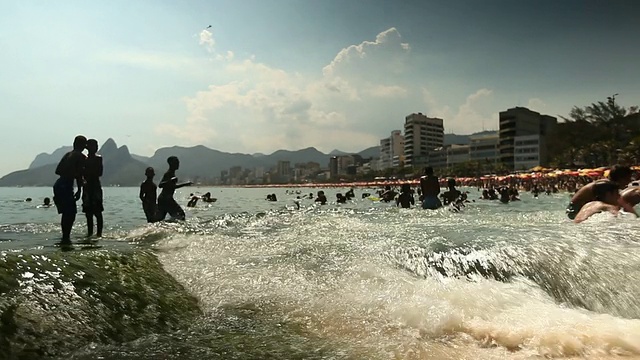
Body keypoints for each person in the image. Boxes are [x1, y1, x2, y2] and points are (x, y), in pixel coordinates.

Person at [566, 165, 637, 220]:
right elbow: (620, 204)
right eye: (628, 178)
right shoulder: (605, 185)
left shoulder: (606, 184)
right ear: (621, 178)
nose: (629, 181)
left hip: (575, 210)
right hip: (574, 211)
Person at [53, 135, 87, 244]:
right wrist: (79, 190)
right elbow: (80, 175)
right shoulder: (81, 156)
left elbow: (57, 171)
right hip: (66, 185)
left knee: (66, 213)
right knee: (70, 212)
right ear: (83, 146)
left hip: (59, 184)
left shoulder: (68, 155)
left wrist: (69, 171)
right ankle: (66, 237)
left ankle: (65, 237)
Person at [157, 156, 192, 221]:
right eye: (176, 162)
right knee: (181, 215)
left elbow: (173, 187)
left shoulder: (172, 173)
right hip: (166, 199)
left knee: (161, 219)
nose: (178, 164)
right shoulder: (168, 173)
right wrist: (170, 181)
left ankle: (165, 228)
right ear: (171, 163)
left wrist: (185, 184)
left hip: (164, 199)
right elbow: (160, 185)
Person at [82, 139, 104, 238]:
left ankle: (99, 234)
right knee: (88, 213)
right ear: (88, 147)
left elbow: (100, 172)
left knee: (98, 212)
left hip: (95, 186)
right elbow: (81, 173)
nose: (96, 147)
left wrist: (89, 174)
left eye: (96, 145)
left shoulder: (98, 158)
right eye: (93, 145)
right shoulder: (84, 159)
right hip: (87, 187)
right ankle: (90, 233)